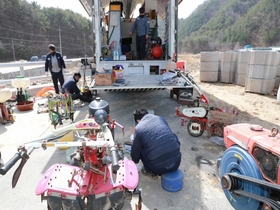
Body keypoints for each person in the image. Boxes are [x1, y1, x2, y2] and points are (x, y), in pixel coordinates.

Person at [131, 109, 181, 179]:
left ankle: (150, 171)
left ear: (138, 120)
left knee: (140, 147)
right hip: (176, 163)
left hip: (158, 169)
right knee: (172, 136)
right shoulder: (160, 119)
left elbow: (135, 152)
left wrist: (134, 161)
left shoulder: (139, 128)